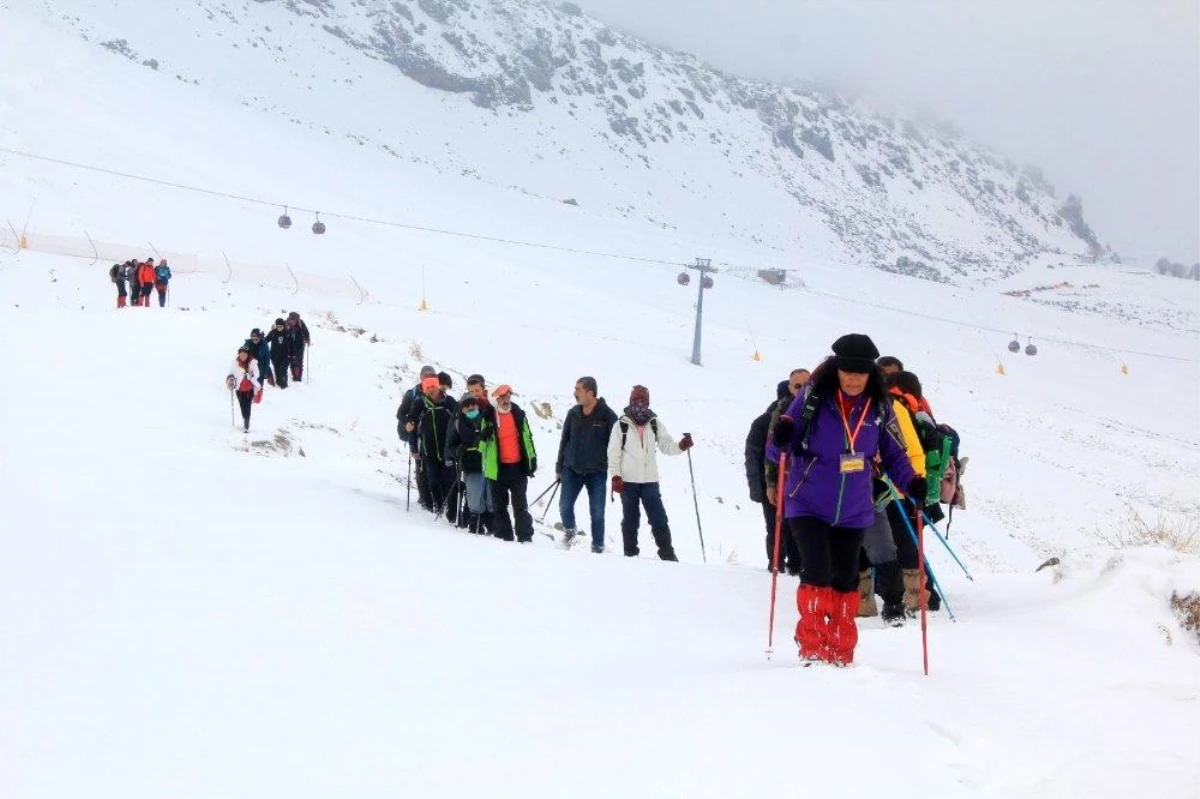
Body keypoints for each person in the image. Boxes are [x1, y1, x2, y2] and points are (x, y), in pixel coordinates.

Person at [766, 334, 924, 667]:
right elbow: (780, 446)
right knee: (818, 570)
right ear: (836, 370)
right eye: (847, 371)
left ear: (870, 375)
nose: (853, 378)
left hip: (853, 507)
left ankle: (839, 648)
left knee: (845, 578)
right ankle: (811, 645)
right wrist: (780, 439)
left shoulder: (880, 408)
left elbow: (895, 454)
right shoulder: (812, 399)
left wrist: (913, 484)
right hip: (807, 500)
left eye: (861, 373)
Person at [608, 385, 691, 561]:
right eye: (636, 401)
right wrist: (615, 476)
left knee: (658, 517)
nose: (640, 405)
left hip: (650, 480)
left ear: (648, 402)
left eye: (644, 401)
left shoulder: (654, 423)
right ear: (630, 402)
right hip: (627, 481)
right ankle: (630, 554)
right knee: (631, 519)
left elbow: (667, 446)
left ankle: (667, 554)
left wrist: (681, 445)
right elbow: (613, 452)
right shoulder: (620, 425)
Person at [556, 376, 618, 553]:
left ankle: (597, 547)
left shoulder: (608, 416)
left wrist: (616, 471)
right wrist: (559, 467)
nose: (574, 393)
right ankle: (570, 530)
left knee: (597, 513)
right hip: (571, 469)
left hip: (596, 472)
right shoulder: (573, 413)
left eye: (578, 389)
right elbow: (564, 440)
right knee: (564, 506)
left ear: (589, 392)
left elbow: (618, 445)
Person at [746, 380, 802, 574]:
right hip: (770, 484)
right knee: (775, 525)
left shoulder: (800, 420)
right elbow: (752, 455)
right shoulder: (764, 422)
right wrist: (757, 487)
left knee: (794, 525)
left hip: (794, 482)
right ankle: (776, 563)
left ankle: (794, 564)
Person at [481, 384, 537, 542]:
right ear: (496, 399)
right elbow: (480, 447)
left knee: (520, 505)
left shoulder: (518, 414)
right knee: (499, 507)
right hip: (497, 469)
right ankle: (504, 537)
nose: (506, 400)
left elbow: (528, 439)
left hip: (518, 467)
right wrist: (484, 436)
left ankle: (525, 537)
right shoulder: (488, 417)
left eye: (507, 397)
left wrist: (532, 460)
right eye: (502, 398)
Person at [450, 392, 494, 534]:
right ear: (462, 408)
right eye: (466, 405)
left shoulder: (486, 419)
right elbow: (451, 445)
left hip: (490, 465)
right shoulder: (457, 424)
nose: (470, 407)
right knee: (475, 498)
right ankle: (476, 525)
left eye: (473, 404)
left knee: (491, 498)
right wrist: (458, 450)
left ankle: (493, 526)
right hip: (471, 466)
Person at [415, 375, 458, 516]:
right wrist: (413, 446)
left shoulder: (449, 402)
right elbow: (411, 422)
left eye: (433, 386)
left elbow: (459, 419)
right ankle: (439, 507)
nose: (431, 390)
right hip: (429, 451)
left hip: (447, 450)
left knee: (449, 481)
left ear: (438, 386)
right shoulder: (420, 404)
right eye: (427, 388)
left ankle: (451, 512)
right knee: (433, 481)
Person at [401, 365, 438, 511]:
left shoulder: (436, 392)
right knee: (420, 466)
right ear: (421, 377)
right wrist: (407, 424)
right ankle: (424, 498)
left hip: (433, 438)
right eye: (426, 375)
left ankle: (432, 498)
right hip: (416, 435)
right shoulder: (412, 394)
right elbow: (401, 413)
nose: (429, 377)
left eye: (432, 375)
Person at [225, 345, 261, 433]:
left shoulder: (252, 362)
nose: (243, 356)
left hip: (249, 389)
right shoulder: (235, 362)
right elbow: (231, 372)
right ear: (239, 354)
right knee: (242, 405)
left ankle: (246, 423)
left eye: (245, 354)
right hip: (239, 389)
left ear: (248, 354)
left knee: (247, 405)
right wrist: (230, 379)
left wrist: (251, 375)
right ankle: (245, 418)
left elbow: (257, 373)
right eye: (241, 354)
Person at [265, 318, 294, 389]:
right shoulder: (272, 333)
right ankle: (279, 382)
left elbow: (292, 345)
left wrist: (292, 354)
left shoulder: (287, 333)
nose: (279, 328)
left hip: (285, 356)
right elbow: (265, 340)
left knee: (283, 371)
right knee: (277, 370)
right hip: (274, 356)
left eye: (281, 326)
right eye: (278, 326)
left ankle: (284, 385)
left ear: (283, 326)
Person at [285, 312, 311, 382]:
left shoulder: (300, 323)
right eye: (291, 320)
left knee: (299, 361)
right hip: (289, 345)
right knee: (292, 360)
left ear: (297, 320)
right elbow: (279, 330)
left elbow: (306, 332)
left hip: (300, 344)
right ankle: (294, 375)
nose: (293, 322)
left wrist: (308, 339)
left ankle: (298, 377)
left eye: (294, 320)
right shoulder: (286, 323)